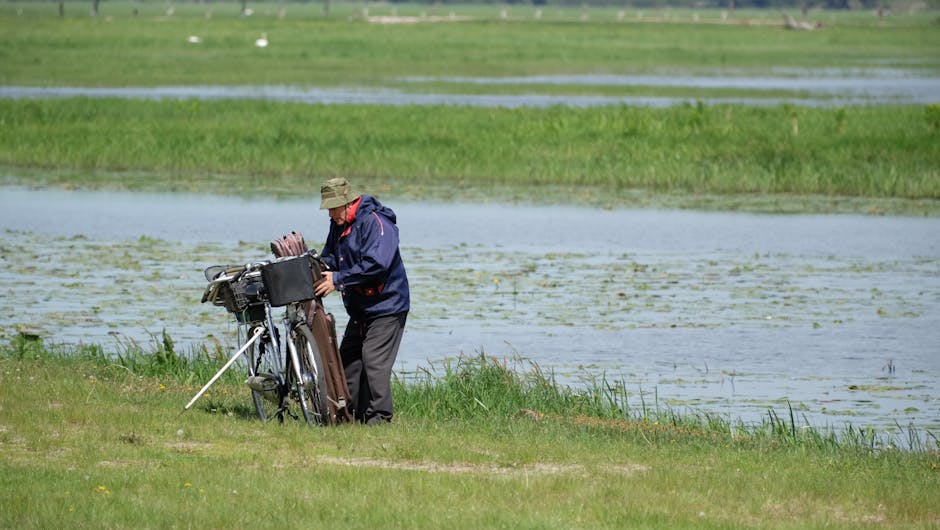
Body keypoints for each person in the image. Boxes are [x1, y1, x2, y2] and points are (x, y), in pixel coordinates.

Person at [314, 177, 410, 425]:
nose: (330, 213)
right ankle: (353, 416)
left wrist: (337, 280)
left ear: (348, 202)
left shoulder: (377, 223)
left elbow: (376, 265)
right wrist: (316, 268)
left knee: (373, 361)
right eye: (328, 208)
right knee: (348, 360)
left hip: (387, 306)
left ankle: (379, 418)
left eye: (333, 207)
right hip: (360, 309)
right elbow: (331, 258)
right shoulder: (339, 223)